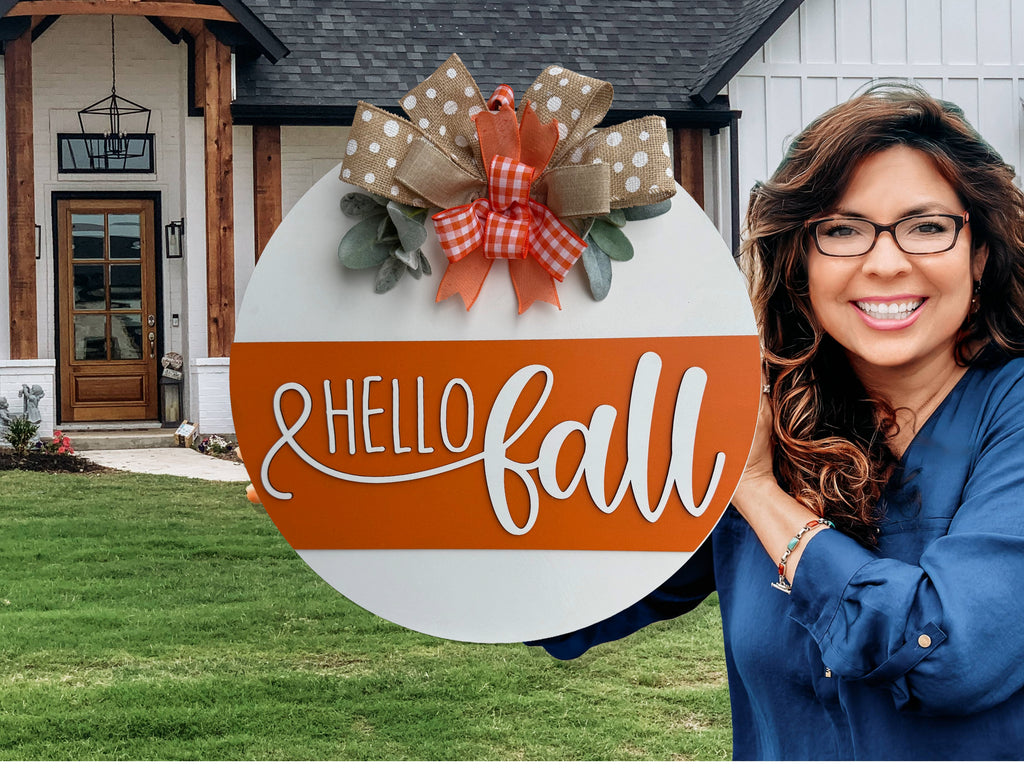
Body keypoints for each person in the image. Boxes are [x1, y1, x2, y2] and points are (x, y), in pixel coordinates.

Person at [528, 83, 1024, 760]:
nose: (885, 263)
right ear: (800, 262)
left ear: (980, 254)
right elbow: (573, 605)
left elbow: (952, 656)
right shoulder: (768, 414)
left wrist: (758, 492)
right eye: (842, 230)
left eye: (928, 227)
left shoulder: (1008, 414)